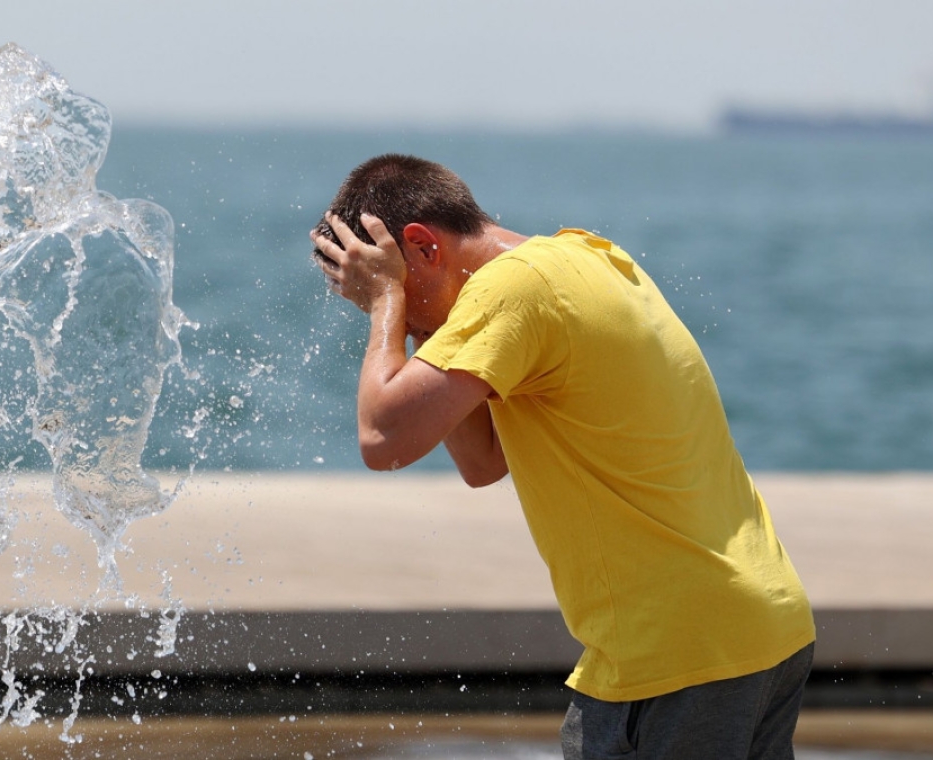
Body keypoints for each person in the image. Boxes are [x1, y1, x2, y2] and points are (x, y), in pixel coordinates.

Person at [310, 154, 815, 759]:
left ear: (422, 245)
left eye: (383, 286)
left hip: (679, 655)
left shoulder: (511, 290)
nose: (399, 326)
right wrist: (417, 310)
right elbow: (483, 463)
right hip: (759, 627)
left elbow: (383, 439)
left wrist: (387, 302)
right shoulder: (581, 257)